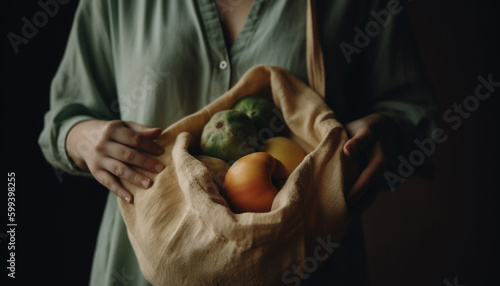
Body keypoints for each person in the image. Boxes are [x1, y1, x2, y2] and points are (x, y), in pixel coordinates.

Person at [39, 0, 437, 285]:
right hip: (140, 266)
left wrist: (391, 131)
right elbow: (62, 118)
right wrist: (83, 137)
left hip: (306, 263)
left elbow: (412, 112)